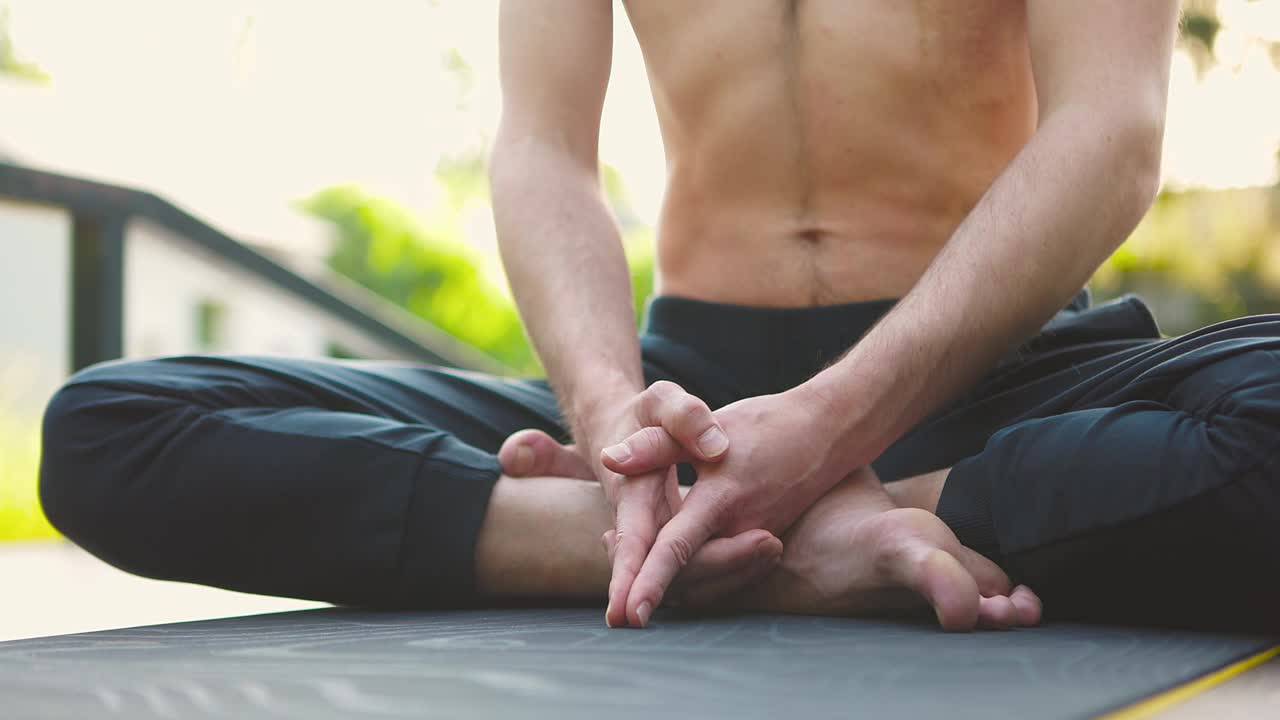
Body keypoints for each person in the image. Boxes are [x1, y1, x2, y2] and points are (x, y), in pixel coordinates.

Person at [36, 0, 1279, 632]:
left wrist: (831, 430)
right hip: (691, 403)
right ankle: (725, 547)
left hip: (997, 380)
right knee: (114, 429)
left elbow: (1109, 133)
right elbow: (538, 150)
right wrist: (612, 420)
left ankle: (854, 518)